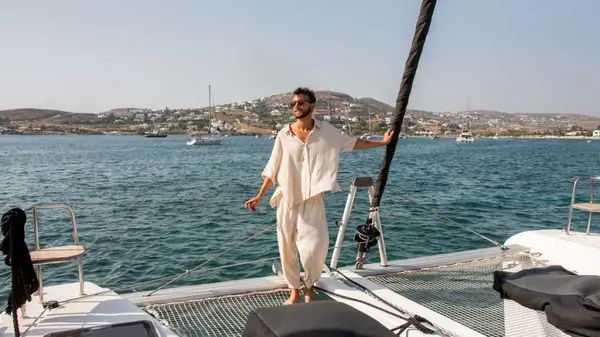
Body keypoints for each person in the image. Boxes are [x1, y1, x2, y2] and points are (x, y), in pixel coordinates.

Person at [245, 87, 393, 305]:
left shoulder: (327, 132)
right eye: (293, 103)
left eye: (301, 103)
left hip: (313, 200)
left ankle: (310, 285)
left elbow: (352, 143)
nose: (296, 106)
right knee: (286, 248)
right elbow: (272, 169)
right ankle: (294, 290)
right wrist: (259, 195)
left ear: (312, 106)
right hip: (287, 199)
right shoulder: (283, 135)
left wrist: (381, 143)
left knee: (315, 247)